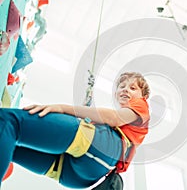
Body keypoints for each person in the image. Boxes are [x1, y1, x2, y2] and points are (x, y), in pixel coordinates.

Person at [0, 72, 150, 189]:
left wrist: (62, 108)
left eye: (133, 88)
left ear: (144, 96)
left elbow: (113, 118)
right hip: (80, 176)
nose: (125, 89)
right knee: (9, 144)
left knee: (9, 122)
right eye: (122, 86)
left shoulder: (141, 106)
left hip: (102, 151)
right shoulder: (127, 127)